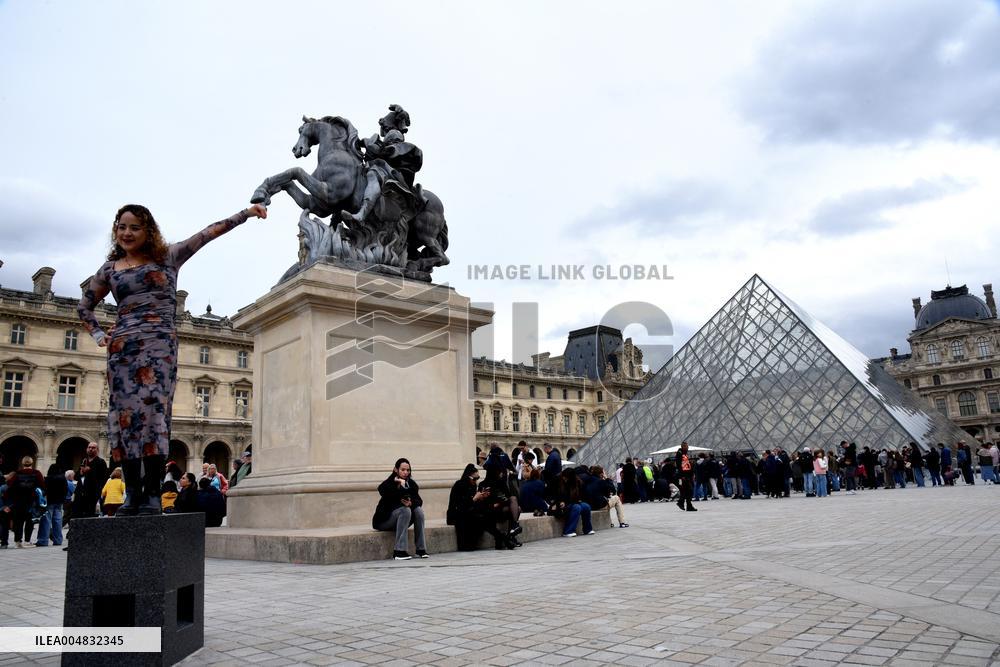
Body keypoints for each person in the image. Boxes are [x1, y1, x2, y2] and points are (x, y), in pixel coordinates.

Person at [78, 202, 268, 515]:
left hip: (159, 346)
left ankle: (153, 494)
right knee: (124, 420)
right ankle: (132, 495)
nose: (127, 233)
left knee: (154, 416)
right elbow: (84, 307)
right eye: (121, 227)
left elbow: (208, 234)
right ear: (115, 231)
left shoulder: (167, 256)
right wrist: (100, 335)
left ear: (147, 230)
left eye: (134, 227)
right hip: (122, 349)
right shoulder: (110, 269)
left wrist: (245, 215)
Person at [372, 458, 428, 560]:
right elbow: (381, 490)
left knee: (418, 511)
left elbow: (419, 501)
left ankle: (421, 549)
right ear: (395, 470)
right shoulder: (389, 483)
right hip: (385, 521)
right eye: (403, 470)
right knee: (405, 510)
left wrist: (411, 503)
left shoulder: (411, 484)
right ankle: (399, 551)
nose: (405, 472)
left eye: (408, 470)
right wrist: (398, 485)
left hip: (401, 521)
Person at [447, 464, 508, 550]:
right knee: (479, 516)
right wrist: (475, 498)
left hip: (468, 511)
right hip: (457, 514)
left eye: (477, 479)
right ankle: (500, 537)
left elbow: (473, 504)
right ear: (468, 476)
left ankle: (499, 537)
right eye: (474, 479)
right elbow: (461, 505)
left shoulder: (472, 486)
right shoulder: (460, 485)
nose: (475, 481)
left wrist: (482, 497)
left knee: (488, 512)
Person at [7, 456, 45, 548]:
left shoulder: (17, 474)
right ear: (32, 463)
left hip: (18, 502)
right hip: (32, 501)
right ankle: (27, 541)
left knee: (18, 522)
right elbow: (43, 486)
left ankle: (17, 541)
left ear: (22, 463)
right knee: (29, 522)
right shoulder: (37, 473)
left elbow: (10, 486)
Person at [72, 442, 109, 520]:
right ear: (86, 449)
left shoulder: (100, 462)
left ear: (97, 450)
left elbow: (103, 478)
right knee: (77, 515)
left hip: (93, 494)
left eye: (93, 448)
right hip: (80, 493)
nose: (90, 449)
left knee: (90, 517)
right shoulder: (84, 461)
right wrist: (81, 472)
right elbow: (76, 477)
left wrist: (89, 471)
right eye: (89, 447)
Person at [553, 468, 593, 537]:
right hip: (561, 504)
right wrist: (560, 502)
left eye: (566, 477)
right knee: (577, 507)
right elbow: (553, 495)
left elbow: (582, 494)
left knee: (586, 506)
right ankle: (568, 531)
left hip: (573, 502)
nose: (564, 478)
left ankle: (587, 529)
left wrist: (580, 499)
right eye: (564, 476)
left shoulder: (577, 482)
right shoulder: (557, 481)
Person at [36, 463, 68, 547]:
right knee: (58, 521)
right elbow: (65, 490)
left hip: (49, 501)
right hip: (59, 502)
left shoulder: (48, 478)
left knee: (46, 520)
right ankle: (58, 540)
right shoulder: (63, 479)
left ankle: (43, 540)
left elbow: (44, 490)